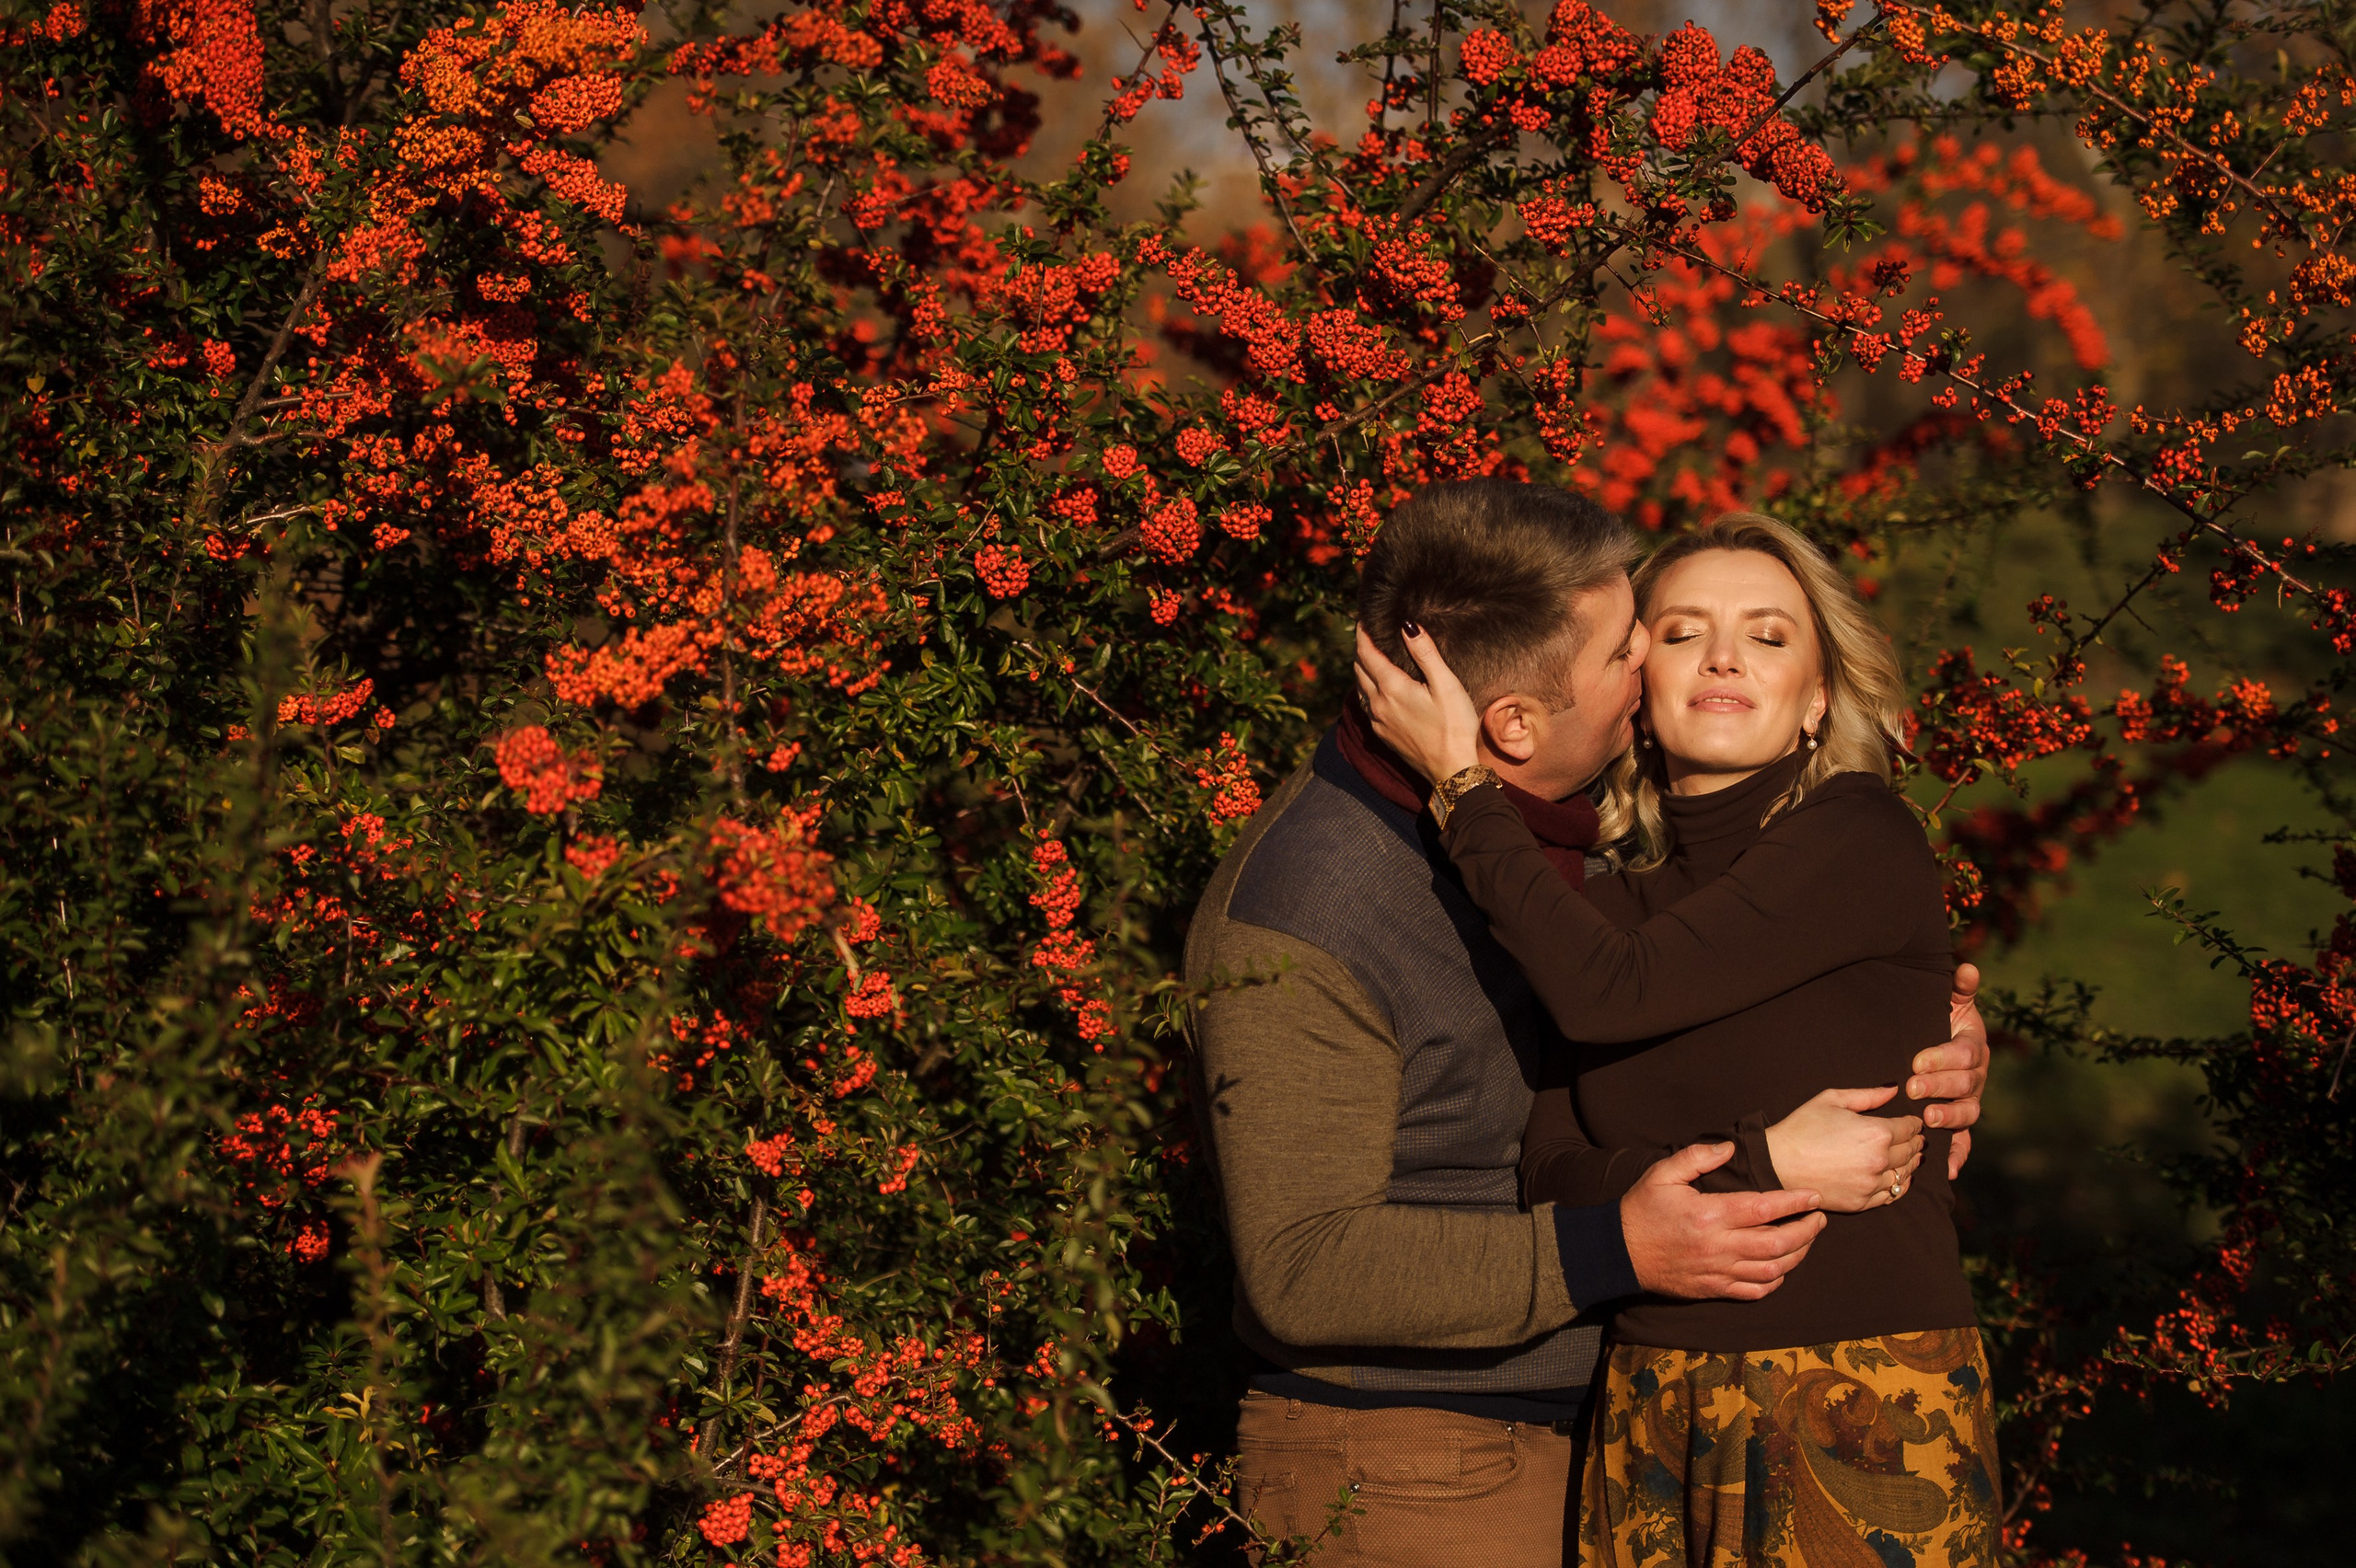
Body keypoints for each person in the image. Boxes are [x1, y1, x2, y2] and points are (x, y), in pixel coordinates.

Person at [1187, 481, 1990, 1567]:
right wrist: (1670, 1216)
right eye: (1647, 644)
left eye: (1763, 636)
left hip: (1733, 1407)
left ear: (1817, 696)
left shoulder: (1589, 865)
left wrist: (1937, 1033)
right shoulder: (1320, 908)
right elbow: (1318, 1259)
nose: (1697, 665)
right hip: (1424, 1454)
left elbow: (1683, 993)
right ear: (1513, 724)